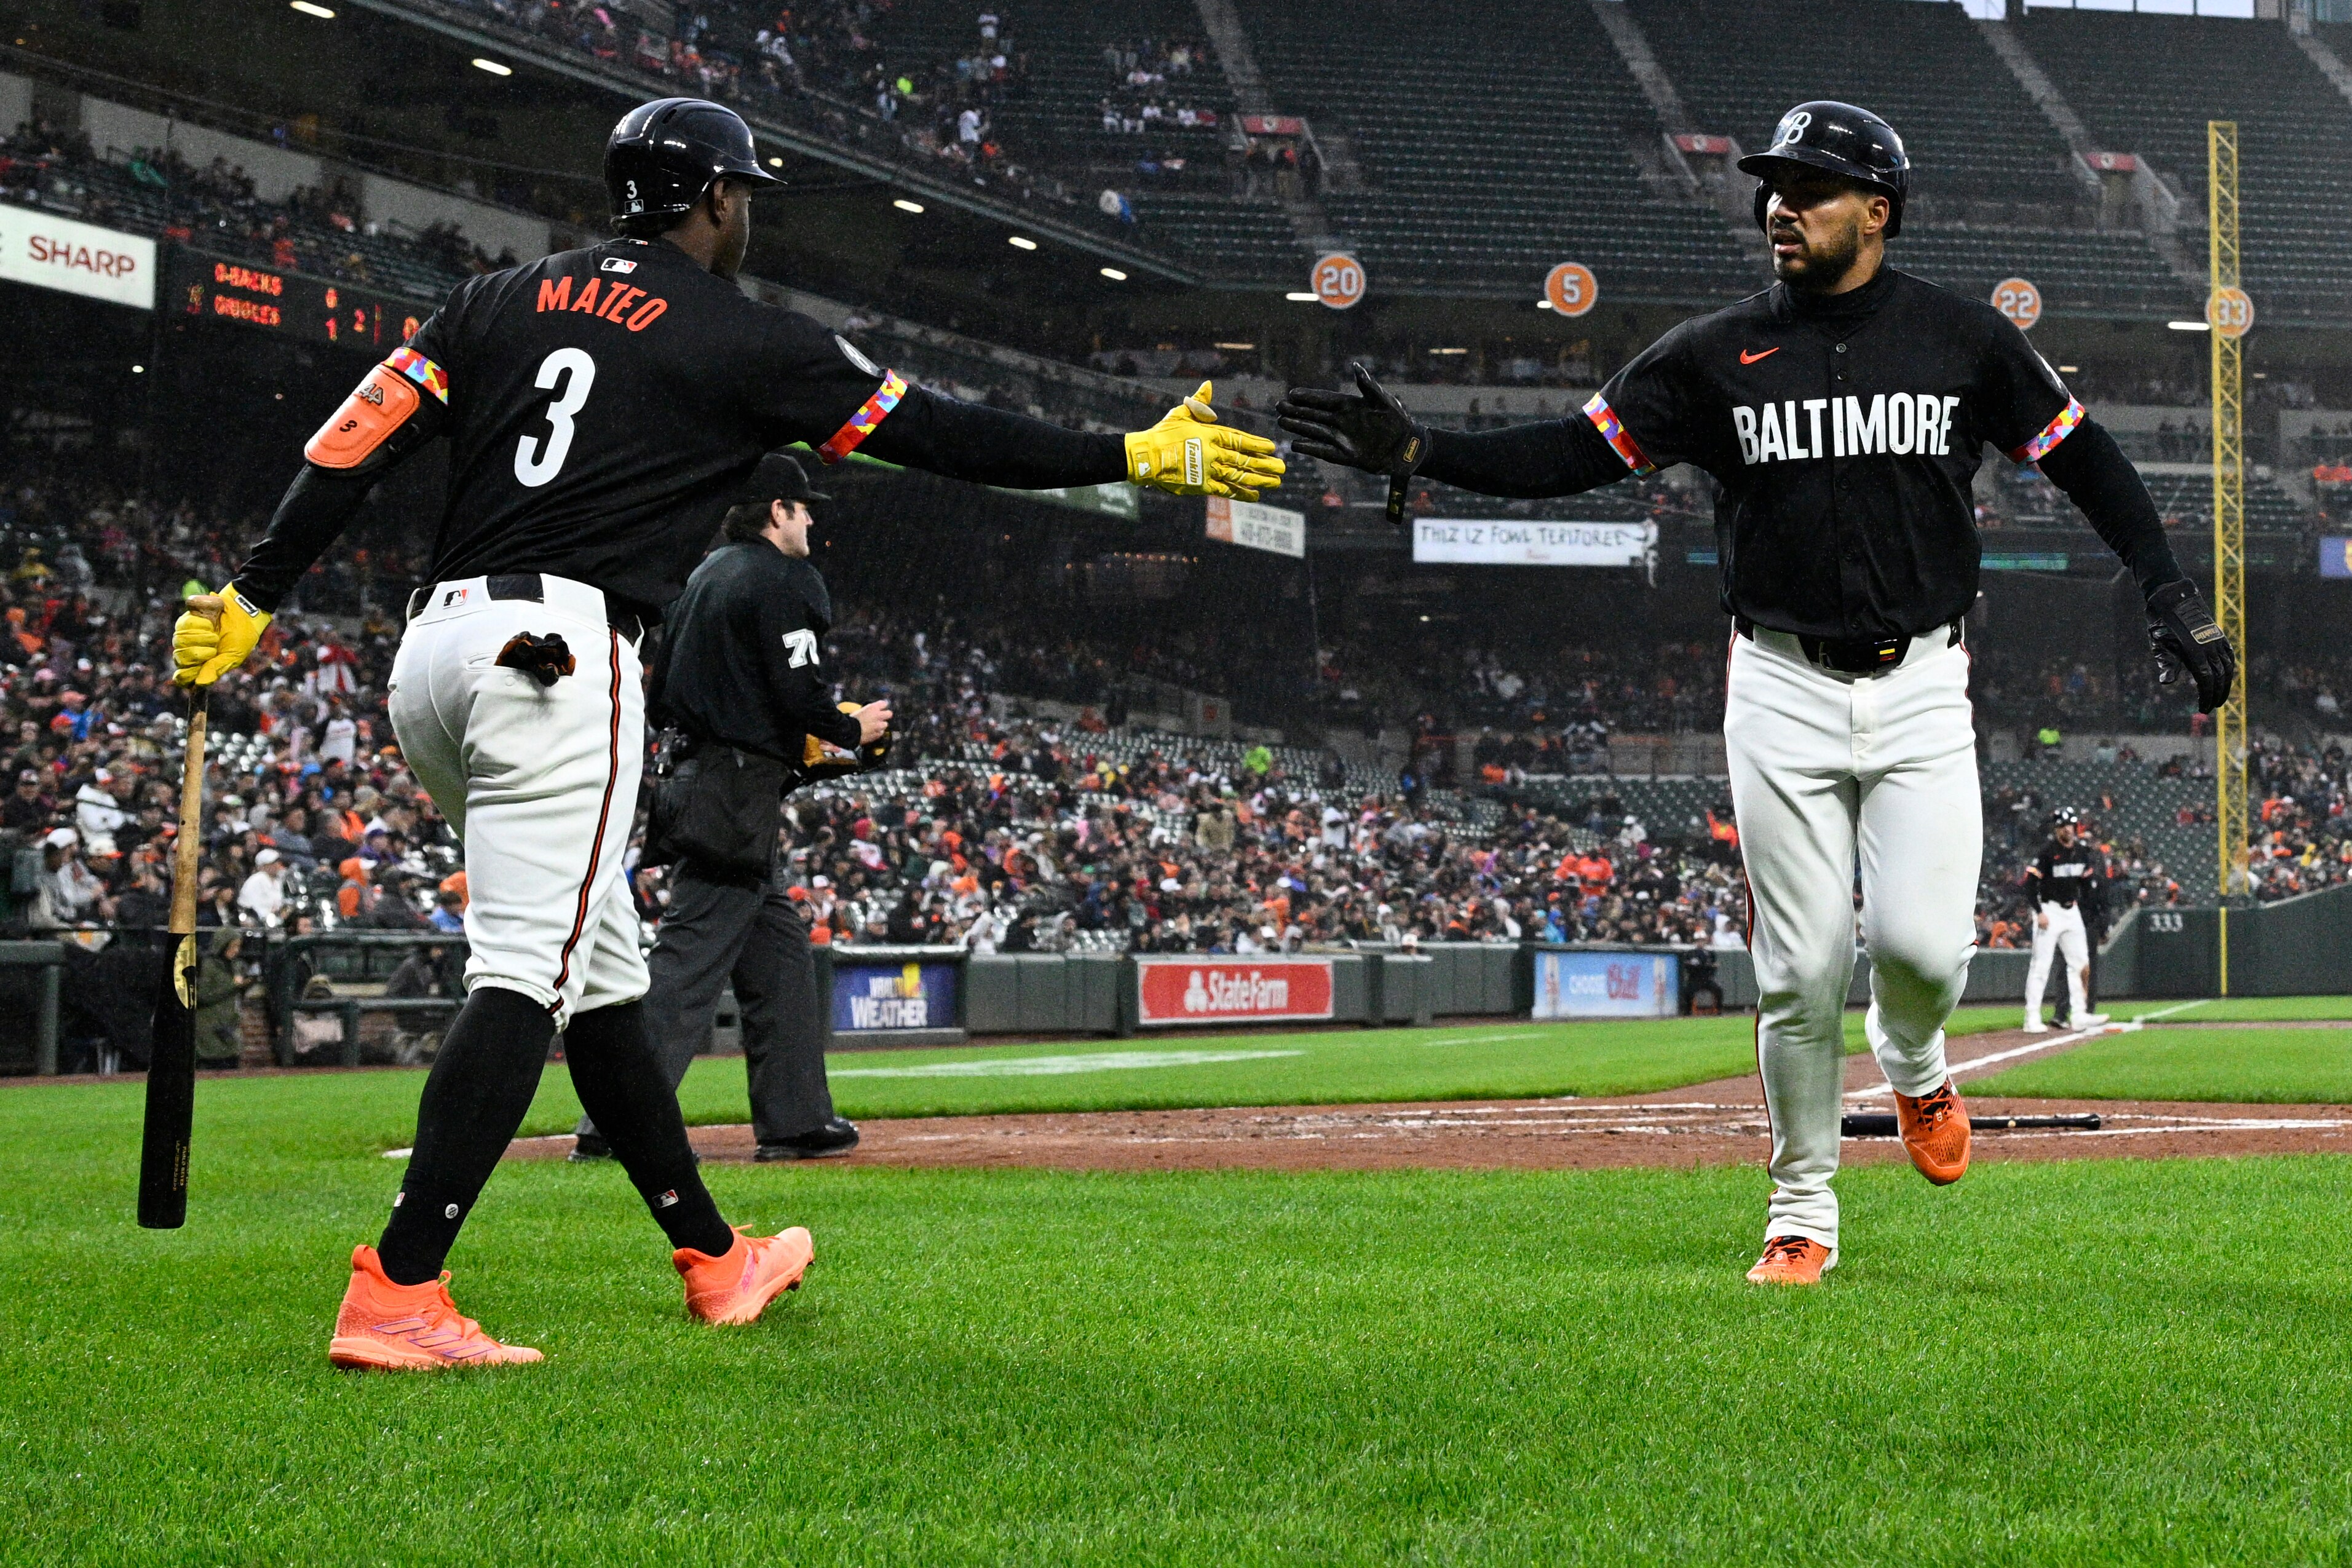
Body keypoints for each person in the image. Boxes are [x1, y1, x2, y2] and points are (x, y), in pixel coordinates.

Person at [170, 95, 1282, 1371]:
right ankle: (400, 1287)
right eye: (744, 193)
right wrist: (1128, 448)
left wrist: (255, 594)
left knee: (599, 980)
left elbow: (353, 440)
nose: (745, 211)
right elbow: (938, 435)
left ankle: (713, 1257)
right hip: (560, 658)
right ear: (713, 201)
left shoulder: (493, 300)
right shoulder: (748, 339)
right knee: (528, 972)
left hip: (430, 655)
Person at [1278, 100, 2235, 1286]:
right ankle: (1803, 1209)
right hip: (1778, 683)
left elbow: (2088, 459)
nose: (1782, 207)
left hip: (1928, 682)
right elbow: (1574, 454)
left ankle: (1917, 1060)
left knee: (1928, 954)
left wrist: (2167, 591)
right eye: (1774, 189)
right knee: (1797, 969)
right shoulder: (1708, 353)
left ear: (1877, 213)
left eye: (1812, 190)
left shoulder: (1964, 341)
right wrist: (1427, 454)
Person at [574, 454, 870, 1166]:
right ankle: (615, 1121)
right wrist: (851, 731)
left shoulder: (705, 574)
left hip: (698, 776)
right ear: (777, 511)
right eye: (804, 509)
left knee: (782, 958)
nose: (811, 520)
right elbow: (798, 691)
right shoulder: (783, 576)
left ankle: (797, 1119)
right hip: (732, 792)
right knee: (688, 957)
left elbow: (676, 684)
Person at [2023, 809, 2107, 1034]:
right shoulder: (2047, 853)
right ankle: (2032, 1017)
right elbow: (2030, 884)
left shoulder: (2081, 853)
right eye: (2062, 826)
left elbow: (2086, 883)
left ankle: (2080, 1015)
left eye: (2070, 825)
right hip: (2049, 911)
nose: (2067, 829)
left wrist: (2092, 911)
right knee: (2041, 966)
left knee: (2081, 964)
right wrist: (2038, 911)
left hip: (2072, 911)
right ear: (2056, 829)